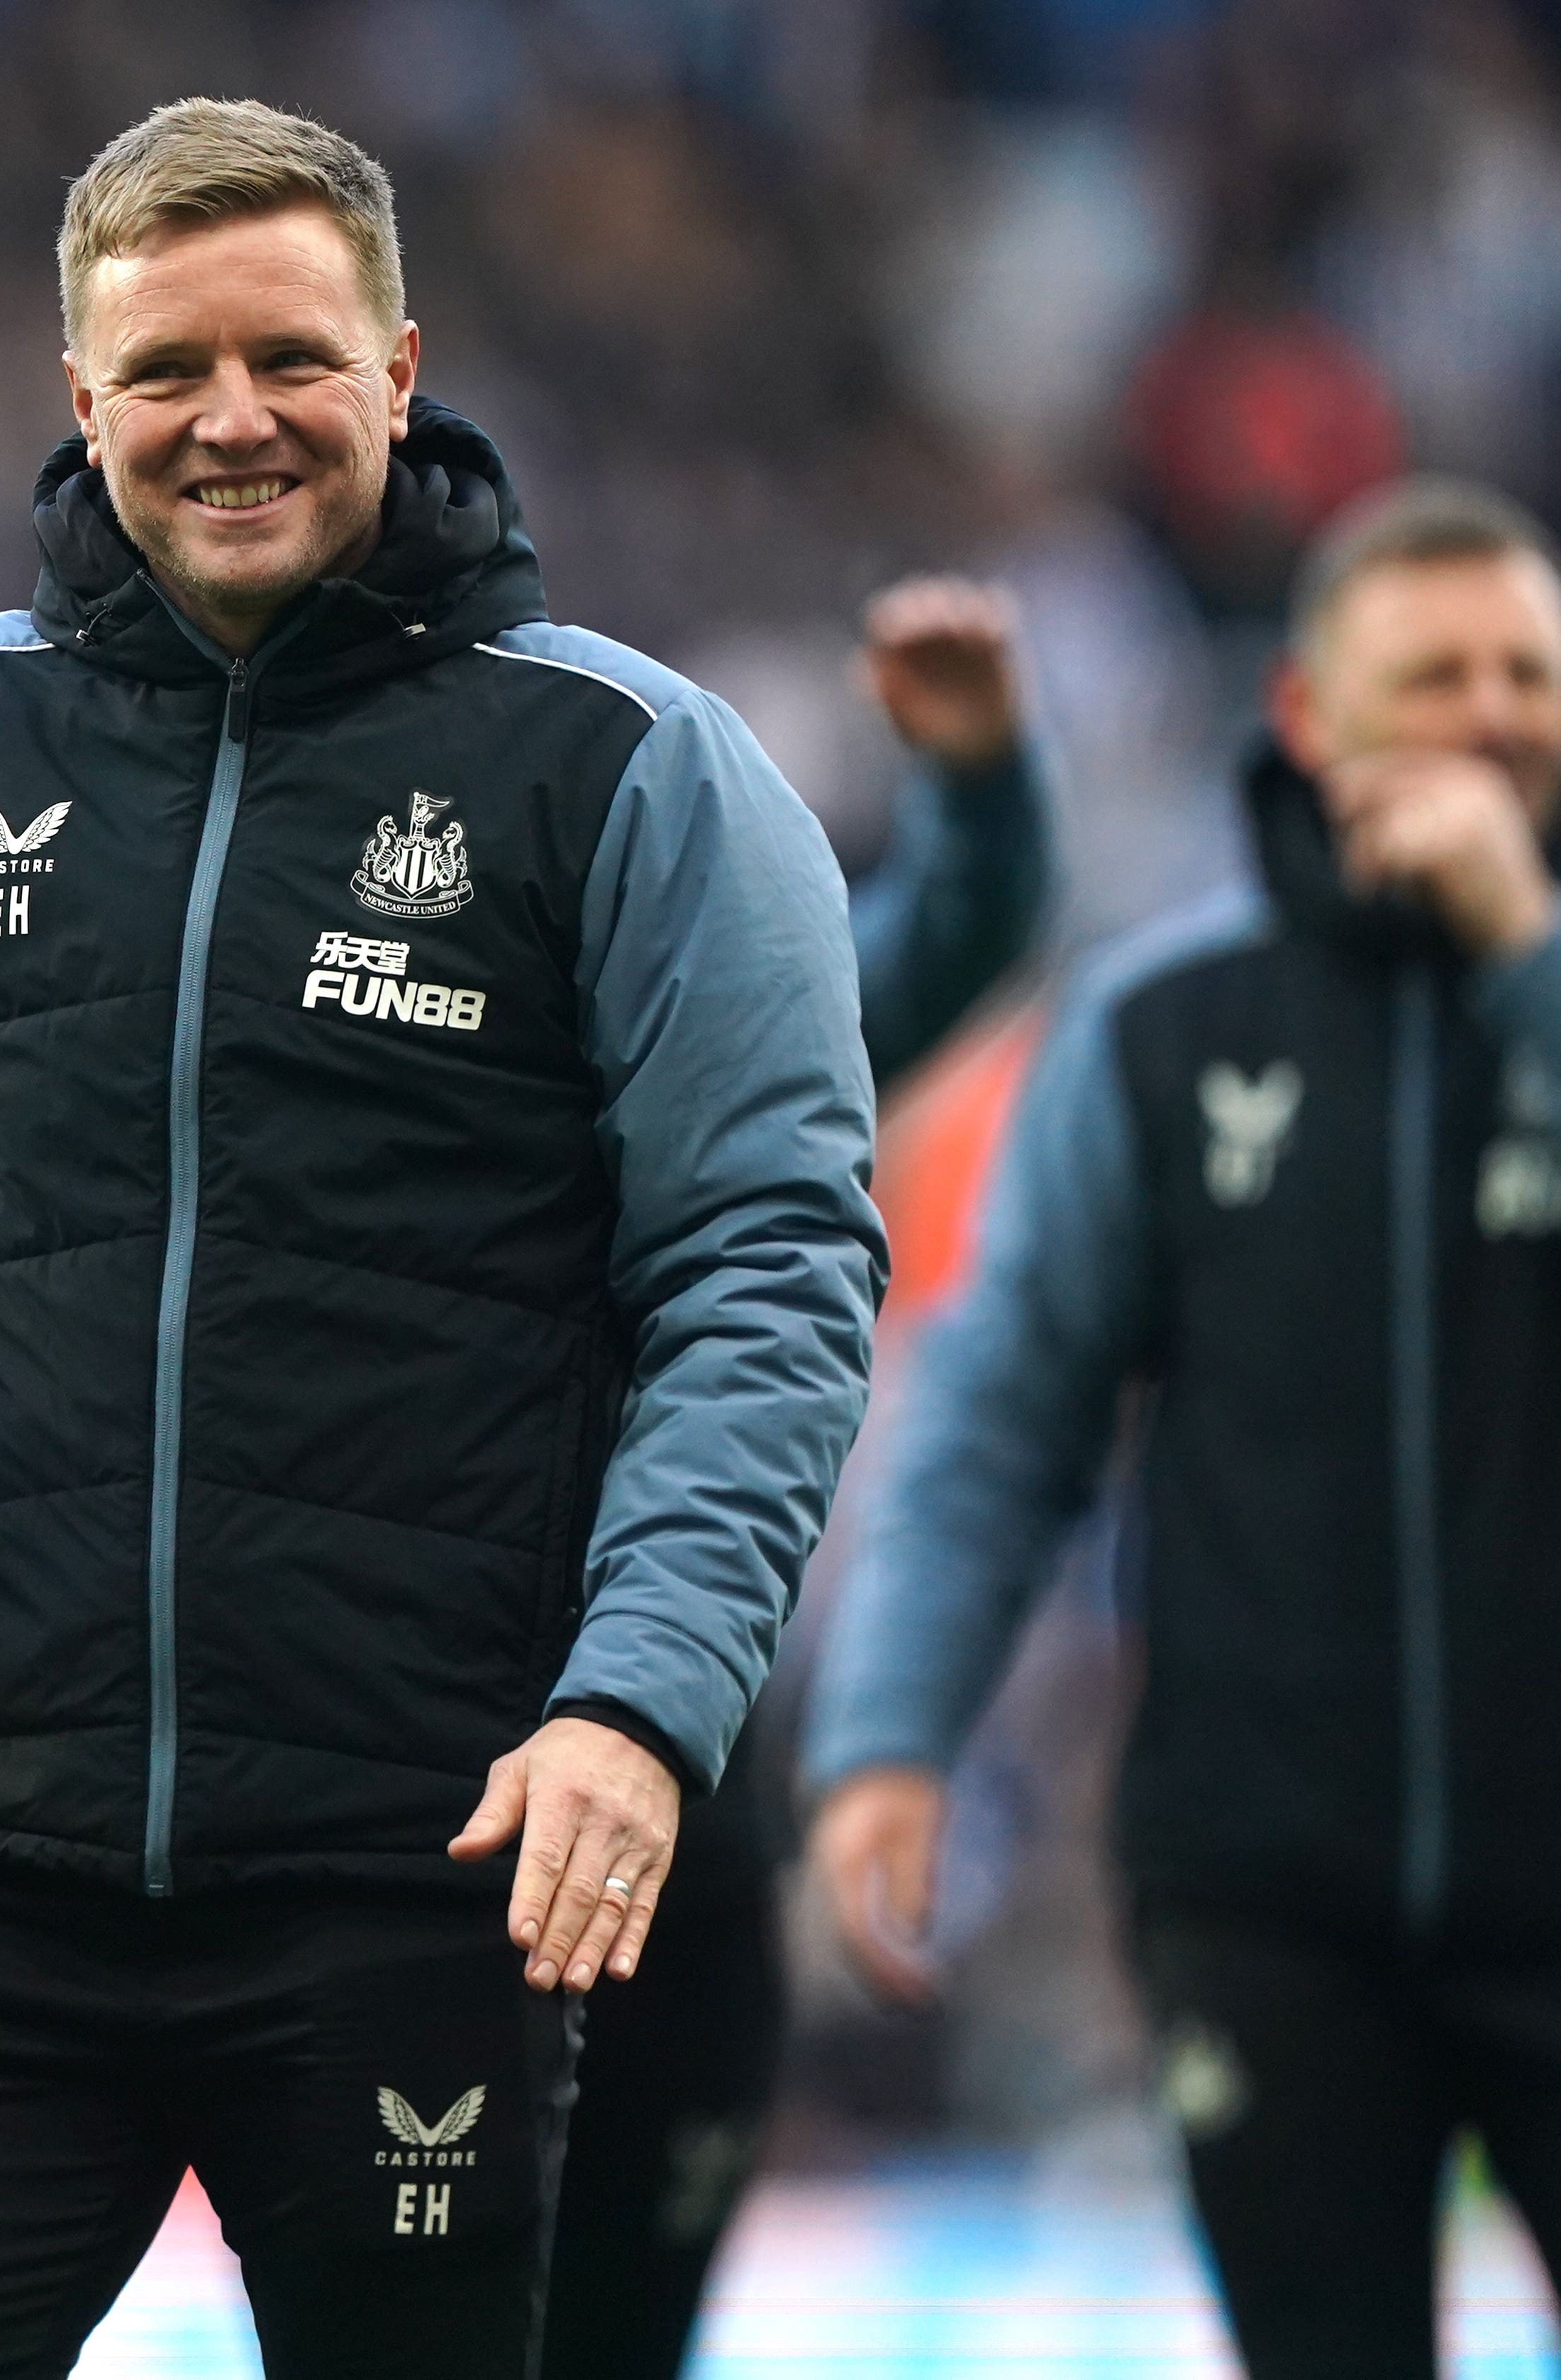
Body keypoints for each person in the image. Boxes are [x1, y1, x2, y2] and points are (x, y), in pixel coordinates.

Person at [0, 99, 887, 2379]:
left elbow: (766, 1270)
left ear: (400, 365)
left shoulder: (629, 768)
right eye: (166, 370)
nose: (232, 419)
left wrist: (637, 1703)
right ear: (80, 402)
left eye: (289, 357)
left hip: (430, 1855)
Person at [804, 477, 1561, 2379]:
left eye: (1527, 673)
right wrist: (894, 1732)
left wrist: (1522, 951)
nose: (1487, 712)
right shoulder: (1163, 1028)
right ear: (1307, 718)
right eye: (1433, 674)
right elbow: (1004, 1408)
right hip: (1263, 1897)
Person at [545, 573, 1048, 2379]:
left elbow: (948, 936)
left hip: (673, 1820)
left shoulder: (716, 1047)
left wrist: (981, 784)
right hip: (372, 1815)